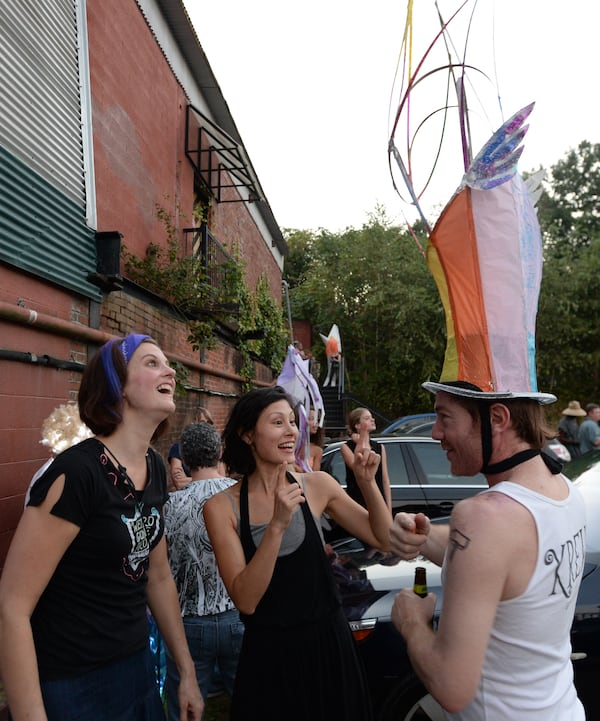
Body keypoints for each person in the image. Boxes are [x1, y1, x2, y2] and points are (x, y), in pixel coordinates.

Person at [0, 333, 204, 721]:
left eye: (166, 363)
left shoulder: (156, 468)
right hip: (73, 684)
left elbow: (157, 577)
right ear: (118, 386)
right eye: (151, 362)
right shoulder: (77, 473)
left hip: (136, 668)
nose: (170, 371)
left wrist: (187, 671)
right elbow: (12, 606)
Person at [390, 380, 586, 721]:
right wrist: (425, 538)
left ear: (497, 417)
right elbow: (501, 566)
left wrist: (412, 622)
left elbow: (451, 688)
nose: (436, 433)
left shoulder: (484, 517)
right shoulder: (565, 491)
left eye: (444, 417)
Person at [203, 385, 392, 721]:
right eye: (277, 422)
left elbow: (382, 538)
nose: (291, 430)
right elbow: (246, 599)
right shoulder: (222, 507)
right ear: (248, 435)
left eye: (292, 421)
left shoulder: (317, 485)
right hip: (269, 659)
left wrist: (367, 483)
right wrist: (276, 526)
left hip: (328, 649)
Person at [164, 422, 243, 719]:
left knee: (184, 708)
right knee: (251, 698)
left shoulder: (170, 505)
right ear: (220, 451)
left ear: (184, 458)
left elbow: (162, 567)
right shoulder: (239, 496)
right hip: (238, 614)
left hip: (189, 621)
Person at [341, 408, 392, 514]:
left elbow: (385, 480)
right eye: (367, 418)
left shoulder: (379, 447)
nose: (372, 420)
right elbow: (360, 466)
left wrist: (388, 509)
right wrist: (361, 440)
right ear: (357, 425)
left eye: (372, 417)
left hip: (378, 499)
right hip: (358, 501)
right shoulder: (346, 447)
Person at [168, 406, 214, 491]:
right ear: (191, 424)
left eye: (209, 423)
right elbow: (179, 482)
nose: (207, 427)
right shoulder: (178, 448)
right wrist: (209, 480)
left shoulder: (214, 449)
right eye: (202, 422)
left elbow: (221, 479)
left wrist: (190, 480)